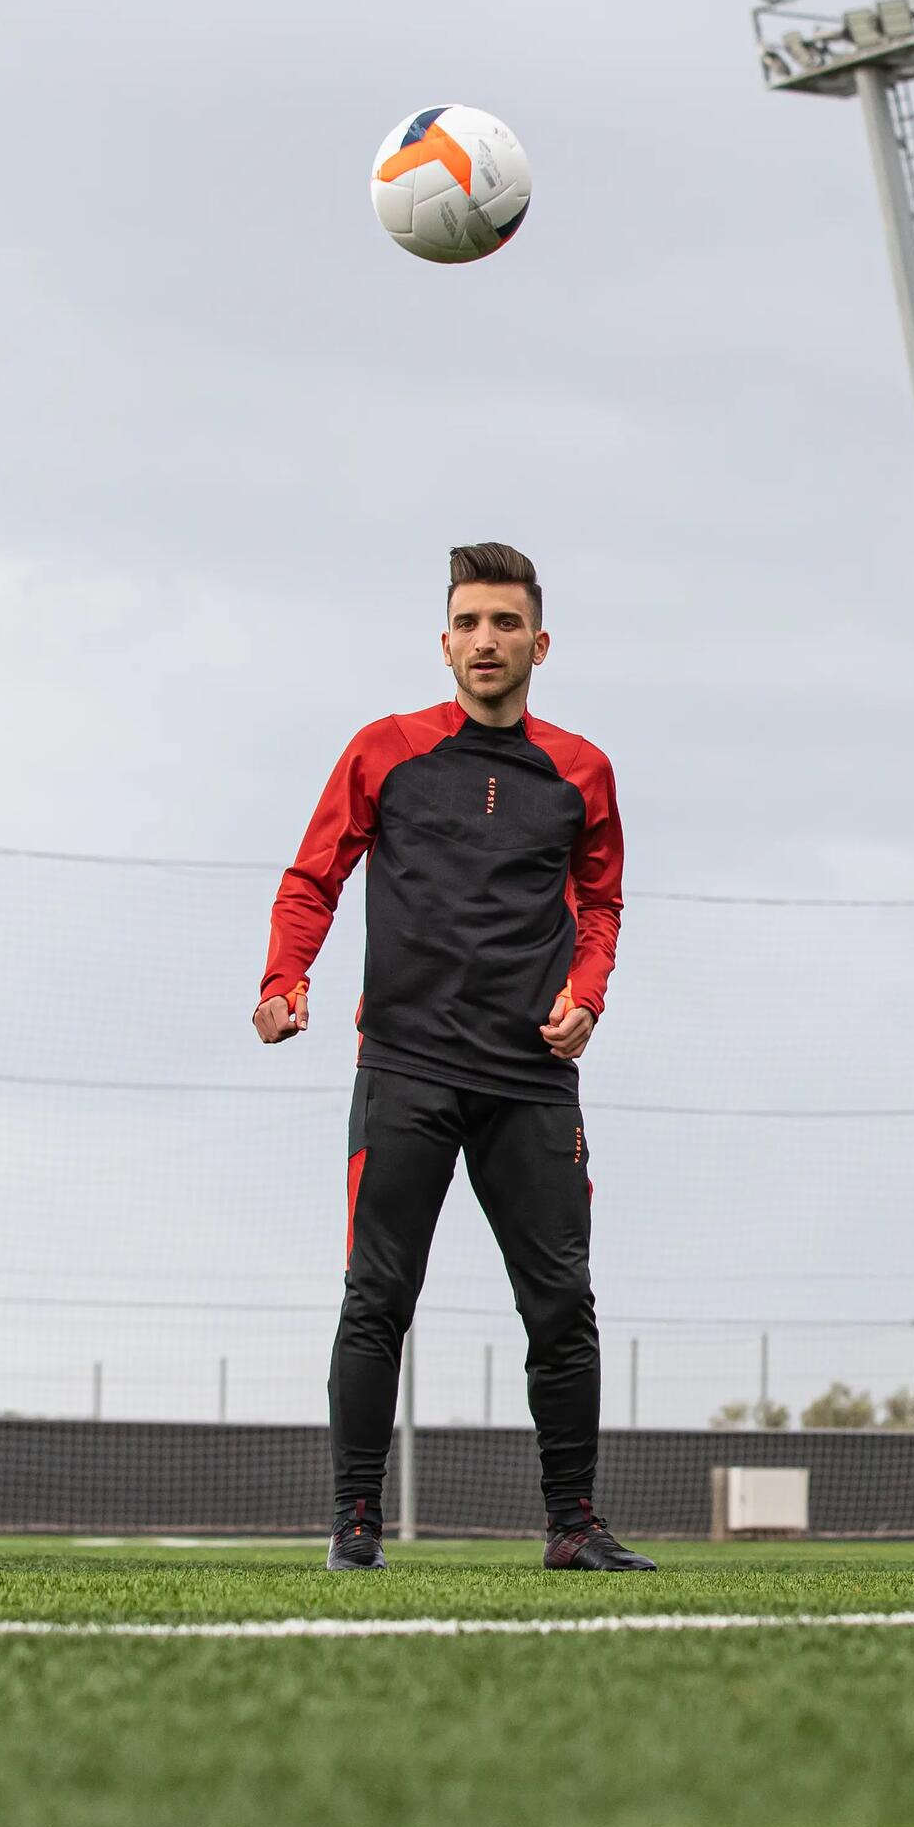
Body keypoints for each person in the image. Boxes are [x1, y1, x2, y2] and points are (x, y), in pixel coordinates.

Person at [253, 542, 653, 1574]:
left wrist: (587, 998)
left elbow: (602, 904)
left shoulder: (581, 772)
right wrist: (283, 978)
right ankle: (354, 1522)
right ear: (444, 641)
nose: (487, 640)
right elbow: (314, 874)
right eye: (470, 623)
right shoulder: (383, 750)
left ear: (539, 642)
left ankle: (573, 1524)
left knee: (562, 1302)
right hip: (406, 1068)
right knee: (376, 1295)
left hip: (530, 1080)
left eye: (506, 623)